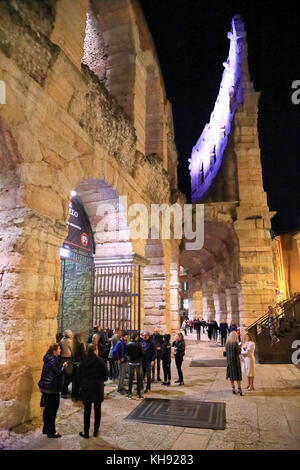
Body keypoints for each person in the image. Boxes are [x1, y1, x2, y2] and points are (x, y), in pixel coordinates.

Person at [78, 344, 108, 438]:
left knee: (87, 411)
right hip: (97, 387)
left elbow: (78, 375)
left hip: (86, 387)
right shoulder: (100, 361)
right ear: (96, 350)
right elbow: (106, 376)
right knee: (97, 410)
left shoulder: (83, 361)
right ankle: (95, 431)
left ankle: (86, 432)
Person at [38, 343, 67, 438]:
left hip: (45, 387)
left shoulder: (48, 358)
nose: (60, 350)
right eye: (59, 349)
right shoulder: (53, 360)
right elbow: (58, 372)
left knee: (47, 410)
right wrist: (64, 366)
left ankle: (46, 429)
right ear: (54, 350)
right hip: (51, 388)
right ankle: (51, 432)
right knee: (52, 410)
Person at [126, 332, 144, 399]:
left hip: (131, 362)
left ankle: (129, 393)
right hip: (138, 362)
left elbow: (127, 353)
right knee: (139, 378)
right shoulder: (139, 344)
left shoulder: (128, 344)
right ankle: (139, 393)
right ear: (136, 337)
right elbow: (142, 353)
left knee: (130, 378)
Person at [225, 331, 243, 396]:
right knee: (238, 375)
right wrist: (240, 347)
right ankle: (239, 388)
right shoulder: (235, 343)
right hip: (235, 361)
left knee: (231, 375)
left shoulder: (227, 343)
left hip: (229, 361)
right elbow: (238, 352)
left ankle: (233, 388)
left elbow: (226, 352)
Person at [113, 330, 128, 394]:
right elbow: (114, 351)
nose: (126, 338)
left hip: (124, 360)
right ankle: (119, 389)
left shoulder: (124, 342)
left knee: (123, 374)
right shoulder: (119, 343)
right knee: (121, 375)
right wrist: (118, 359)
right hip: (121, 361)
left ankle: (121, 386)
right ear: (122, 336)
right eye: (126, 337)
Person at [59, 329, 74, 396]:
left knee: (64, 375)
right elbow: (72, 350)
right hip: (68, 359)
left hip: (62, 358)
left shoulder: (62, 340)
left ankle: (64, 389)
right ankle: (64, 389)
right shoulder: (69, 341)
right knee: (69, 375)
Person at [72, 333, 86, 400]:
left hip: (74, 363)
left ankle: (74, 395)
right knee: (80, 381)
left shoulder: (73, 345)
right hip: (80, 364)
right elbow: (83, 354)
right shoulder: (81, 344)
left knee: (75, 381)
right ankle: (79, 396)